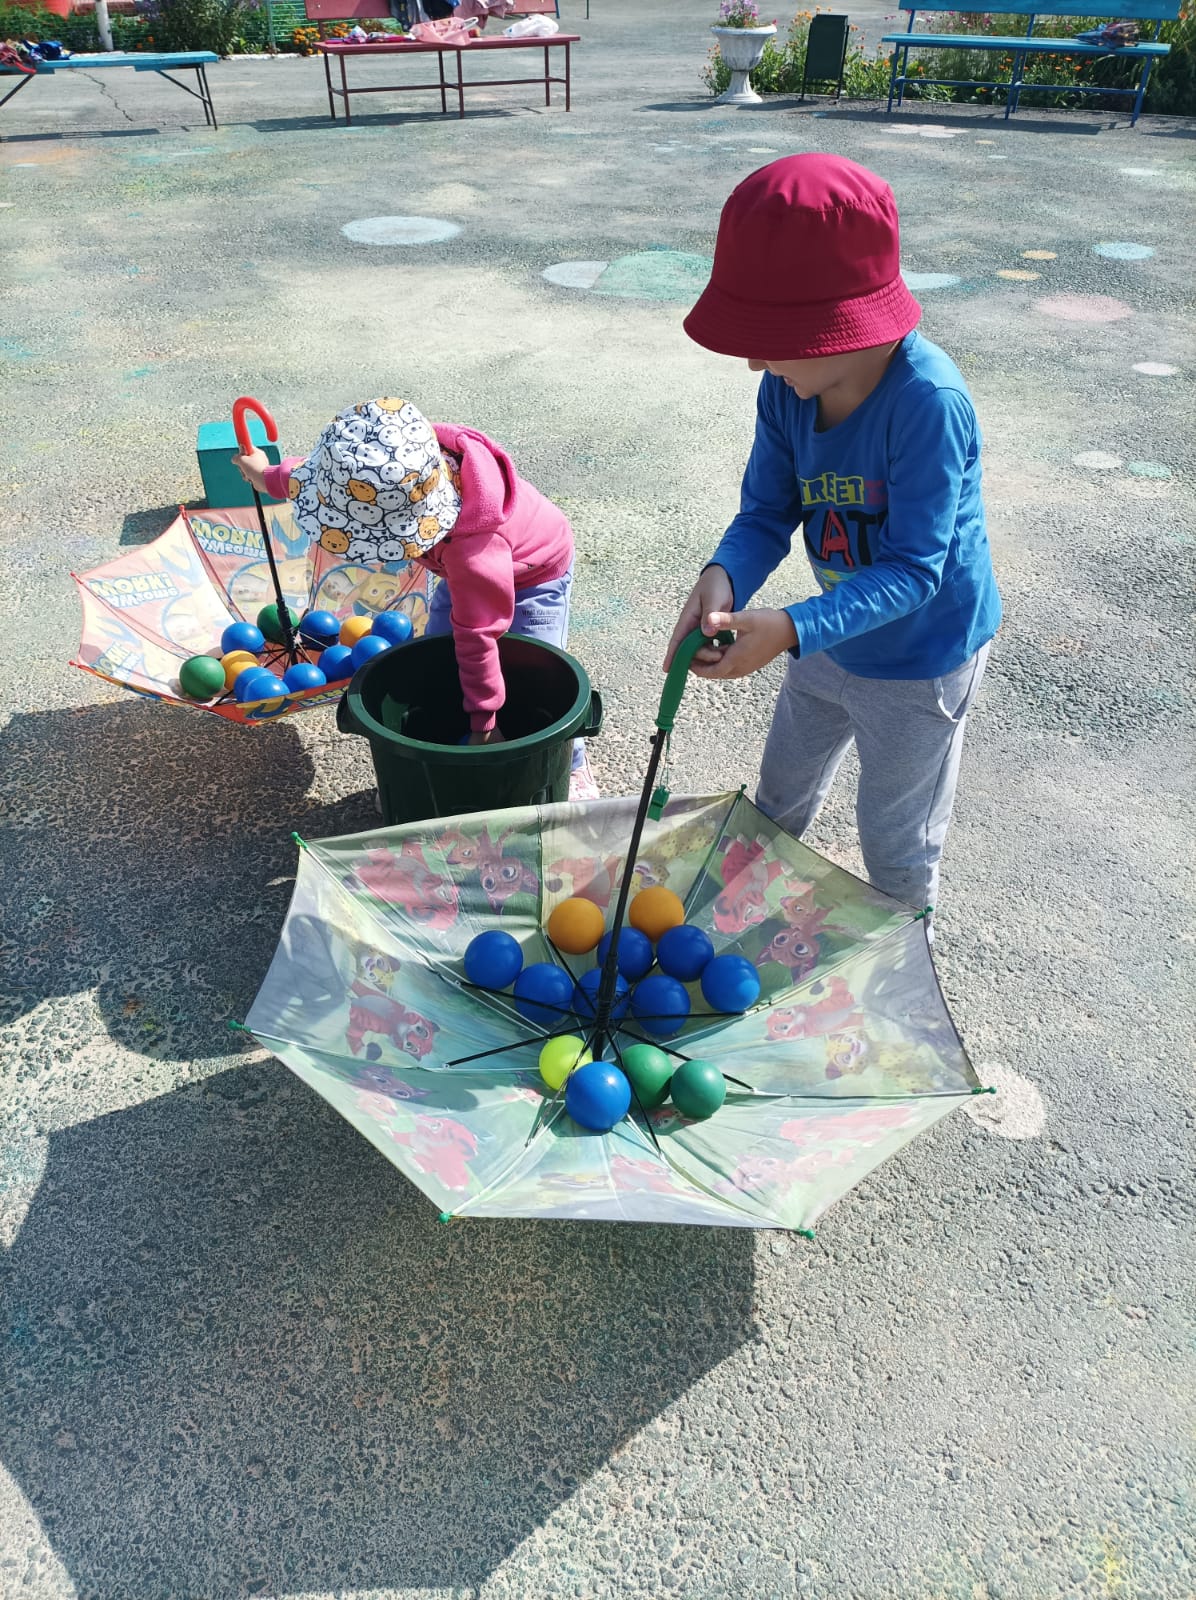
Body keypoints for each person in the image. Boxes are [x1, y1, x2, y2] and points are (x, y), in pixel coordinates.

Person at [665, 154, 1001, 919]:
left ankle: (902, 954)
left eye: (768, 337)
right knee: (779, 794)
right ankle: (732, 922)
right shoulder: (787, 389)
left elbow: (915, 570)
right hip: (828, 639)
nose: (753, 359)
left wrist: (789, 629)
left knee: (895, 840)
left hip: (922, 662)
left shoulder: (928, 402)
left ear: (839, 328)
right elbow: (765, 513)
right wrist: (723, 577)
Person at [233, 396, 586, 765]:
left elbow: (477, 638)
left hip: (535, 576)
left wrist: (484, 725)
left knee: (539, 673)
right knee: (439, 653)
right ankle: (457, 713)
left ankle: (571, 762)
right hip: (462, 570)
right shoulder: (401, 469)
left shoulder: (474, 552)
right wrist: (266, 475)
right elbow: (330, 481)